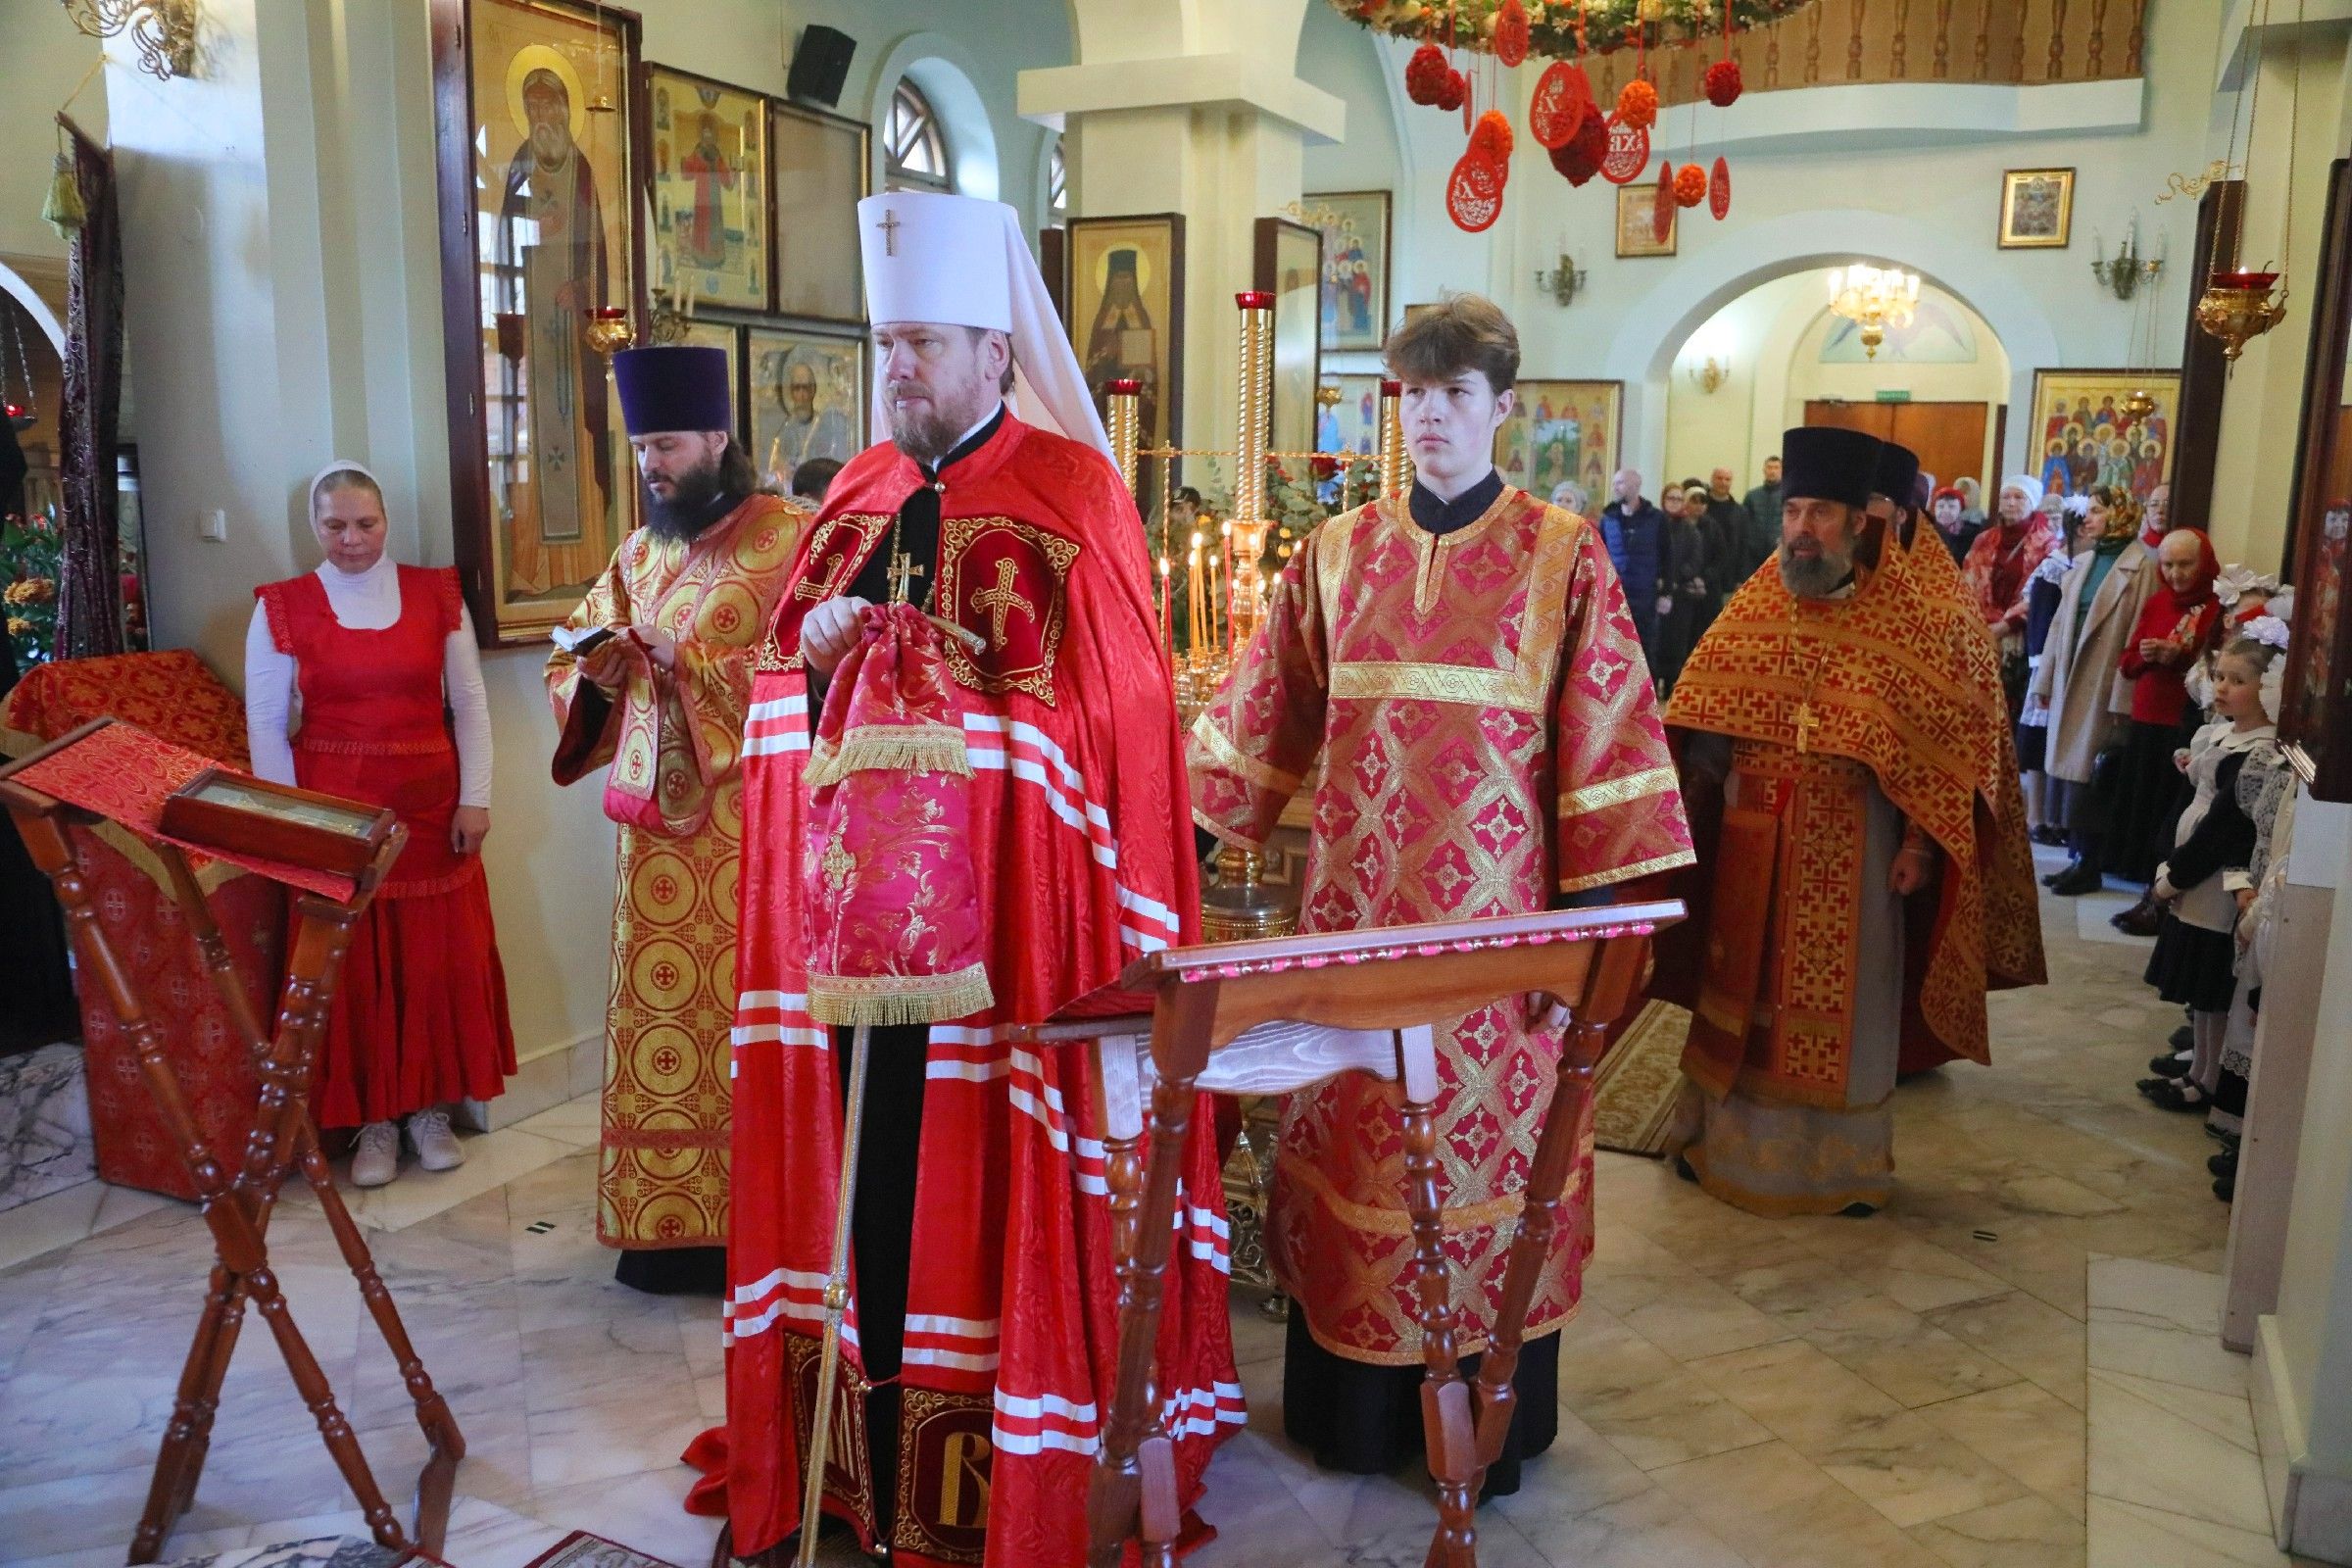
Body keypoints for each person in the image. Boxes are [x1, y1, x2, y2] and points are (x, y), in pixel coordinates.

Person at [697, 190, 1240, 1564]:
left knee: (975, 1196)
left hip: (1006, 951)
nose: (901, 370)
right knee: (868, 1198)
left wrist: (960, 697)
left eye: (925, 345)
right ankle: (858, 1457)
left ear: (997, 352)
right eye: (888, 346)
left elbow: (1118, 722)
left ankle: (987, 1480)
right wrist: (816, 656)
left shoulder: (1074, 496)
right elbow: (778, 707)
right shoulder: (854, 500)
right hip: (852, 957)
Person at [1189, 291, 1694, 1495]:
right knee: (1359, 1154)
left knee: (1489, 1176)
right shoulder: (1337, 552)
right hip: (1354, 936)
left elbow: (1611, 751)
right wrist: (1187, 846)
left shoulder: (1563, 556)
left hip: (1497, 955)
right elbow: (1260, 717)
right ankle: (1356, 1420)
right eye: (1413, 395)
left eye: (1455, 394)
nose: (1430, 417)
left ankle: (1490, 1424)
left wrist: (1589, 950)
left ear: (1501, 407)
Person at [1657, 425, 2043, 1215]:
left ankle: (1838, 1168)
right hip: (1750, 839)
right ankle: (1718, 1144)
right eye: (1793, 511)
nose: (1802, 529)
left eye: (1821, 513)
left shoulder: (1902, 623)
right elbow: (1704, 720)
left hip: (1856, 847)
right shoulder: (1752, 608)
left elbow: (1935, 750)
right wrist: (1690, 798)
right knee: (1739, 994)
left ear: (1858, 522)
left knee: (1850, 1006)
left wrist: (1919, 847)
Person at [546, 344, 807, 1292]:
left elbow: (818, 671)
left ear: (717, 438)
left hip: (754, 840)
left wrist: (687, 664)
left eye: (666, 446)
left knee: (748, 1025)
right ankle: (666, 1227)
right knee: (663, 1030)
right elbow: (566, 661)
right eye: (641, 448)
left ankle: (761, 1229)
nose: (651, 465)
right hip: (654, 850)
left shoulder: (792, 539)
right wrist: (602, 668)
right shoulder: (638, 552)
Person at [246, 463, 514, 1186]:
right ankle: (374, 1123)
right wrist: (294, 829)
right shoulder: (282, 606)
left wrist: (476, 797)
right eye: (335, 525)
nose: (352, 538)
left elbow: (470, 703)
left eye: (365, 523)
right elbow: (266, 725)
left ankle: (428, 1111)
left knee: (432, 965)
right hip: (338, 816)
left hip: (431, 812)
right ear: (315, 526)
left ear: (386, 520)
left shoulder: (437, 594)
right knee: (355, 970)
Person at [2135, 635, 2283, 1117]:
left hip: (2216, 883)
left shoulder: (2258, 752)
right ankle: (2198, 1070)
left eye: (2237, 680)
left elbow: (2221, 833)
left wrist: (2173, 878)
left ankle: (2210, 1080)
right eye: (2219, 676)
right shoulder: (2222, 735)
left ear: (2269, 689)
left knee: (2212, 991)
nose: (2221, 687)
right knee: (2200, 996)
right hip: (2193, 876)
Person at [2028, 486, 2156, 895]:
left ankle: (2091, 862)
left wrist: (2122, 697)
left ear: (2121, 515)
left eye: (2098, 511)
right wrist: (2044, 681)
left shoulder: (2142, 566)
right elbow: (2058, 626)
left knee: (2092, 775)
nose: (2088, 518)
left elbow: (2138, 633)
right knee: (2070, 775)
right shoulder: (2083, 561)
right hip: (2069, 674)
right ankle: (2076, 857)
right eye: (2090, 510)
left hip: (2103, 679)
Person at [2107, 527, 2223, 892]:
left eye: (2185, 564)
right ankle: (2130, 865)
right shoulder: (2157, 602)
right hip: (2146, 714)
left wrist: (2182, 657)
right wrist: (2146, 655)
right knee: (2139, 794)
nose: (2175, 574)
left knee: (2167, 798)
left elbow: (2218, 669)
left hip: (2182, 719)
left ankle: (2156, 872)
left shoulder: (2219, 606)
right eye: (2168, 565)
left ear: (2204, 563)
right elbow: (2126, 663)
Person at [1960, 475, 2061, 722]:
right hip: (1982, 632)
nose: (2011, 503)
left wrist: (2007, 624)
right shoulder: (1984, 539)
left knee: (2010, 709)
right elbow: (1967, 581)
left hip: (2022, 638)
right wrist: (1980, 624)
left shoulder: (2047, 543)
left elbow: (2042, 594)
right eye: (2006, 497)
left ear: (2032, 503)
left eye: (2019, 497)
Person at [1601, 466, 1668, 669]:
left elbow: (1667, 556)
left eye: (1620, 483)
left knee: (1646, 648)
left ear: (1636, 485)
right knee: (1614, 647)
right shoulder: (1608, 518)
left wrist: (1666, 593)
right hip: (1615, 595)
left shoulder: (1656, 518)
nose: (1615, 487)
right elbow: (1601, 556)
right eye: (1614, 483)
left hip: (1645, 595)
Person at [1654, 481, 1713, 694]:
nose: (1674, 502)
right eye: (1670, 498)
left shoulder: (1690, 530)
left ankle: (1672, 685)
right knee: (1656, 640)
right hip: (1657, 591)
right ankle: (1653, 684)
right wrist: (1659, 578)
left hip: (1681, 594)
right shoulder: (1655, 524)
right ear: (1663, 500)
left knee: (1677, 641)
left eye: (1678, 499)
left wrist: (1675, 579)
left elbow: (1695, 560)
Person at [1740, 454, 1784, 575]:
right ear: (1764, 470)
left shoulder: (1788, 496)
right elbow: (1743, 524)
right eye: (1769, 467)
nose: (1772, 471)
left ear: (1782, 470)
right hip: (1753, 555)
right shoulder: (1752, 496)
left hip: (1779, 553)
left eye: (1776, 468)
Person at [1930, 485, 1985, 563]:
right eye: (1940, 506)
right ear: (1934, 509)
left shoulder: (1972, 534)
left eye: (1952, 506)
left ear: (1960, 510)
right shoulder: (1926, 529)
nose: (1945, 511)